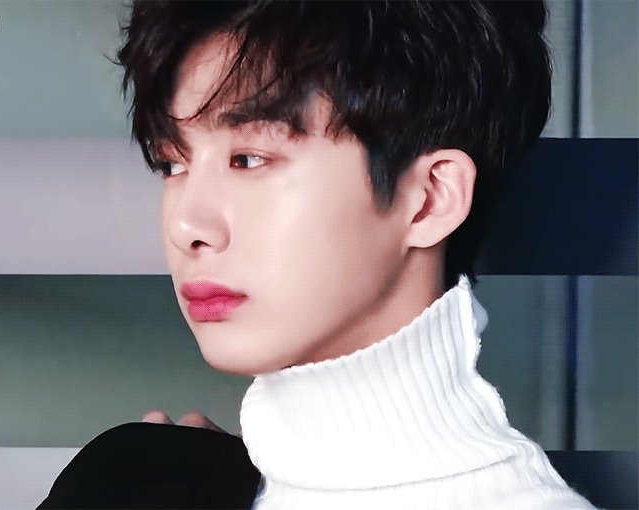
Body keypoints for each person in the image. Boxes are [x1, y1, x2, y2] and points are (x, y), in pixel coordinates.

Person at [39, 1, 597, 508]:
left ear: (429, 199)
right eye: (173, 164)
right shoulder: (161, 482)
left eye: (248, 159)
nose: (188, 226)